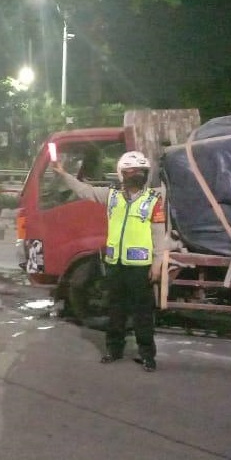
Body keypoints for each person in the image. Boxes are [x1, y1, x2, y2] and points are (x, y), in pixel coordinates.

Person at [52, 150, 165, 372]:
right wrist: (63, 174)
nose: (136, 174)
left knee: (142, 314)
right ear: (122, 173)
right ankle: (114, 350)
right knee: (116, 311)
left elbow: (159, 233)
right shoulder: (111, 196)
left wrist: (158, 262)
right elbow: (84, 190)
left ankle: (147, 356)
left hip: (140, 268)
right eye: (131, 171)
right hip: (115, 266)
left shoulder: (153, 200)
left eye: (140, 171)